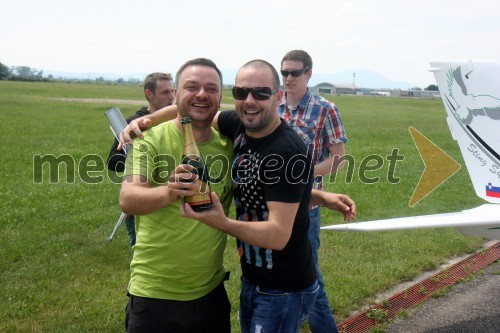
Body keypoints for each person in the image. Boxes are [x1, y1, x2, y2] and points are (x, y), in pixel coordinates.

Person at [118, 60, 356, 332]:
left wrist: (221, 222)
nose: (249, 100)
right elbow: (129, 199)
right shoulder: (227, 130)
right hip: (167, 292)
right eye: (242, 93)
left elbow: (278, 229)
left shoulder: (258, 145)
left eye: (261, 93)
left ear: (278, 97)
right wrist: (143, 122)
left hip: (252, 290)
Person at [119, 58, 234, 332]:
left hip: (212, 294)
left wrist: (317, 195)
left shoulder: (229, 145)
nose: (202, 94)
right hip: (155, 295)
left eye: (212, 88)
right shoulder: (149, 140)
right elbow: (129, 198)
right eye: (191, 87)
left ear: (220, 96)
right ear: (176, 94)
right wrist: (169, 192)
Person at [279, 50, 348, 332]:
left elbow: (339, 159)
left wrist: (303, 173)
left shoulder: (325, 108)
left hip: (307, 206)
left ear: (309, 73)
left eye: (295, 72)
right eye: (284, 72)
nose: (289, 78)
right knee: (277, 277)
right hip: (271, 205)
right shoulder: (273, 105)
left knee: (309, 278)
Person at [107, 72, 174, 249]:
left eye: (172, 91)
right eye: (165, 92)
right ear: (148, 94)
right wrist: (141, 163)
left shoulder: (174, 121)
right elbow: (113, 161)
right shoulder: (134, 123)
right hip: (143, 202)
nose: (171, 97)